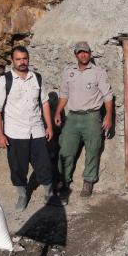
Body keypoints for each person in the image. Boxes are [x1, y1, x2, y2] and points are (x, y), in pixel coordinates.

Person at [0, 46, 54, 211]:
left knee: (44, 164)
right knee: (18, 167)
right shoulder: (4, 81)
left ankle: (49, 193)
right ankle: (22, 195)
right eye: (18, 59)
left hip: (37, 129)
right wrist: (0, 135)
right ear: (12, 61)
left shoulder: (37, 78)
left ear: (28, 59)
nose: (22, 62)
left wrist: (49, 126)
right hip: (15, 132)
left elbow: (45, 103)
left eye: (24, 58)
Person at [54, 41, 113, 200]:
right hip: (72, 117)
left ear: (90, 53)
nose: (83, 54)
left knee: (93, 149)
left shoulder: (98, 72)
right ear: (76, 54)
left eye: (86, 52)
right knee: (66, 149)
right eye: (80, 52)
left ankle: (88, 180)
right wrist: (58, 112)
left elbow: (107, 96)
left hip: (92, 117)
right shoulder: (68, 72)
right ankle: (63, 180)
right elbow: (64, 94)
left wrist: (108, 116)